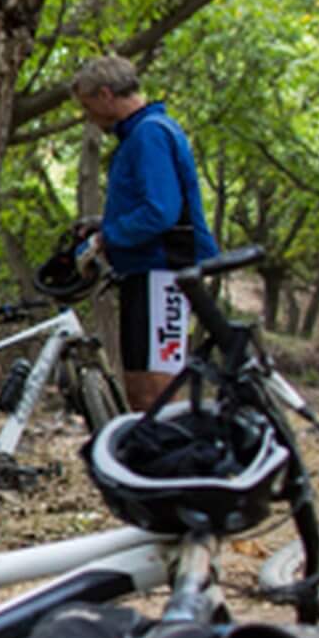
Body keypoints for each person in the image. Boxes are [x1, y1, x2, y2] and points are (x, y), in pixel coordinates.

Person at [71, 54, 220, 413]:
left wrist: (106, 239)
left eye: (88, 106)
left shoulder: (150, 133)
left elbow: (160, 211)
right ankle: (151, 465)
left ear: (105, 94)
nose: (89, 117)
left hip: (165, 273)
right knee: (139, 390)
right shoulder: (139, 134)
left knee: (158, 392)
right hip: (143, 273)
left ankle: (177, 465)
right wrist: (101, 223)